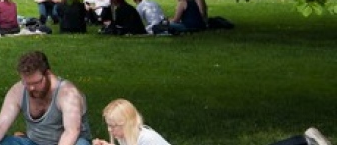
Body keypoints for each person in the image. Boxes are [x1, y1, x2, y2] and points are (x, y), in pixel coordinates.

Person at [91, 99, 330, 145]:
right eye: (109, 125)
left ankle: (305, 141)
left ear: (130, 122)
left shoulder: (147, 138)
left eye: (115, 125)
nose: (112, 130)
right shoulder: (126, 138)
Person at [0, 50, 92, 145]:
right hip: (33, 142)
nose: (31, 88)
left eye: (36, 82)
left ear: (48, 74)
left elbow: (71, 132)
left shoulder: (68, 93)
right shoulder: (18, 90)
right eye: (26, 83)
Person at [91, 99, 171, 145]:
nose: (109, 129)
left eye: (113, 126)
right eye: (108, 125)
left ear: (126, 124)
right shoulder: (123, 136)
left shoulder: (146, 139)